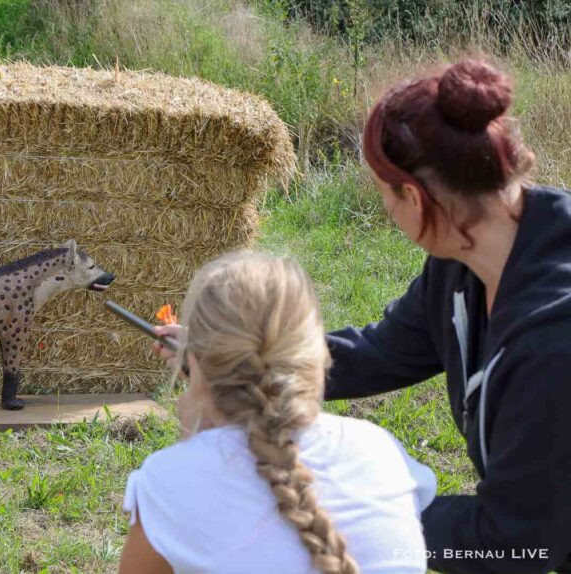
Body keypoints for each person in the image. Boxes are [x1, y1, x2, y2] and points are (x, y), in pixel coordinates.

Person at [156, 59, 571, 573]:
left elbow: (511, 544)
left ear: (414, 198)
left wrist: (366, 506)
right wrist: (238, 356)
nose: (386, 211)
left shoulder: (552, 342)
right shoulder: (460, 267)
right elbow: (383, 351)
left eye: (383, 195)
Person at [123, 252, 435, 574]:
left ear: (198, 360)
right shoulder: (379, 451)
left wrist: (195, 442)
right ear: (319, 353)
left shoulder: (166, 481)